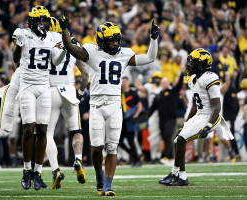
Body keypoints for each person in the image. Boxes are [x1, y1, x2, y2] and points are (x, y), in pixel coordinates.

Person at [58, 12, 159, 195]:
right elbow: (71, 49)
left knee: (112, 147)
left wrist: (154, 39)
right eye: (111, 40)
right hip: (96, 105)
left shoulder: (124, 53)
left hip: (114, 105)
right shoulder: (91, 51)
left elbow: (149, 58)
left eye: (116, 40)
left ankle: (107, 185)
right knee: (97, 148)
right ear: (102, 40)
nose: (115, 43)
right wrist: (64, 29)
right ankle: (99, 175)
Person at [159, 48, 234, 186]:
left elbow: (217, 107)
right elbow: (194, 106)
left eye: (193, 63)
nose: (189, 65)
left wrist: (209, 125)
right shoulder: (193, 78)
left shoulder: (210, 77)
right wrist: (186, 123)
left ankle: (174, 174)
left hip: (211, 116)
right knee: (177, 140)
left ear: (203, 64)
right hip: (199, 115)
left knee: (181, 139)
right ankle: (182, 177)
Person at [15, 6, 66, 191]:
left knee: (43, 130)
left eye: (45, 20)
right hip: (27, 85)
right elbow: (15, 59)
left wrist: (65, 49)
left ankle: (38, 171)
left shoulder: (52, 37)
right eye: (39, 20)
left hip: (44, 86)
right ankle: (26, 169)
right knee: (28, 128)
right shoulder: (23, 34)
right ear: (32, 21)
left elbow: (57, 61)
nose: (42, 23)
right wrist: (17, 45)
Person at [45, 17, 89, 189]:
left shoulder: (44, 43)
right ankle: (78, 159)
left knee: (48, 134)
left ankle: (56, 170)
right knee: (76, 130)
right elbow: (85, 75)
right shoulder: (73, 42)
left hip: (50, 90)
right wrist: (80, 94)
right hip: (69, 90)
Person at [120, 76, 143, 166]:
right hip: (121, 120)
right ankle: (131, 153)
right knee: (119, 141)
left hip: (130, 120)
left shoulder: (133, 92)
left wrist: (136, 115)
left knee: (131, 141)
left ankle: (137, 159)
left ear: (129, 82)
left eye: (125, 81)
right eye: (123, 81)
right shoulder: (119, 93)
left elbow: (140, 105)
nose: (124, 83)